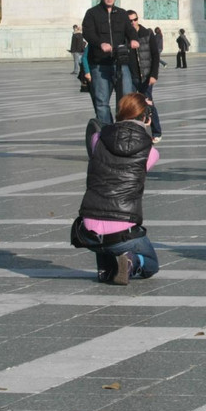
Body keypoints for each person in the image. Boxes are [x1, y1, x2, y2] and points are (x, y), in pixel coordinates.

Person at [71, 92, 161, 285]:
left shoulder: (98, 138)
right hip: (122, 232)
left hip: (88, 231)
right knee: (152, 264)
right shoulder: (151, 152)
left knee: (101, 214)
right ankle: (130, 261)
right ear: (146, 117)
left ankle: (106, 269)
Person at [82, 0, 139, 124]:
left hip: (120, 62)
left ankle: (124, 128)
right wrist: (100, 43)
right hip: (100, 63)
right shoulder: (92, 13)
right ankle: (107, 131)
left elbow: (130, 30)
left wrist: (133, 39)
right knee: (101, 101)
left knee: (126, 99)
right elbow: (87, 33)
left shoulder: (121, 14)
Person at [126, 11, 163, 143]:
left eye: (134, 20)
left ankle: (157, 131)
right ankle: (134, 133)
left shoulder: (147, 33)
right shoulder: (125, 35)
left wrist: (154, 75)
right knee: (131, 106)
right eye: (129, 21)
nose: (132, 23)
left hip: (146, 76)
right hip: (130, 76)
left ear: (137, 19)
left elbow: (155, 54)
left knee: (148, 104)